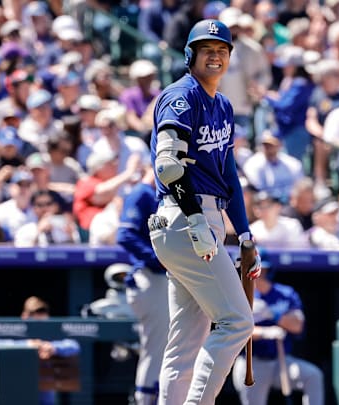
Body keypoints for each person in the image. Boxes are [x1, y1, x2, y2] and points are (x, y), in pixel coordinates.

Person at [148, 19, 261, 404]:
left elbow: (228, 173)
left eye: (222, 50)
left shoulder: (223, 105)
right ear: (190, 55)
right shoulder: (181, 95)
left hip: (199, 220)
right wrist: (195, 217)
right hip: (185, 216)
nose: (215, 56)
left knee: (185, 343)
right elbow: (168, 165)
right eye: (207, 49)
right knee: (237, 321)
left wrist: (244, 234)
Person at [232, 258, 324, 404]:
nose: (256, 274)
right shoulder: (239, 295)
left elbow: (297, 325)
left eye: (259, 269)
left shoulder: (284, 293)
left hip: (280, 360)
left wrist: (272, 314)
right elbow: (234, 330)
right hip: (252, 363)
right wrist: (264, 332)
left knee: (312, 375)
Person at [116, 168, 168, 405]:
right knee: (156, 348)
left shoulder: (163, 195)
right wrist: (158, 260)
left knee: (164, 347)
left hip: (159, 279)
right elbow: (125, 235)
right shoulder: (141, 192)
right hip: (149, 277)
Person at [0, 296, 81, 405]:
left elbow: (74, 345)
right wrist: (28, 345)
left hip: (45, 396)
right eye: (37, 322)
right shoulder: (17, 331)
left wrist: (52, 347)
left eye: (43, 322)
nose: (40, 326)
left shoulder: (50, 334)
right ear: (25, 316)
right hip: (18, 392)